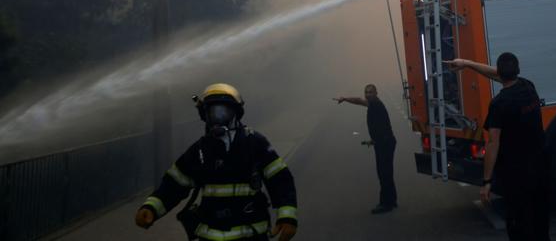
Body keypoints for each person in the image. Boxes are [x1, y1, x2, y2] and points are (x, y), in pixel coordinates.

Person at [134, 83, 298, 241]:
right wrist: (152, 208)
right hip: (209, 236)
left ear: (235, 114)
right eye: (212, 113)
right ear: (204, 116)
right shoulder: (199, 150)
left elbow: (280, 180)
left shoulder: (255, 143)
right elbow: (174, 184)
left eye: (223, 112)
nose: (217, 118)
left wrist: (287, 217)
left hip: (250, 234)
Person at [446, 54, 550, 241]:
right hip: (540, 169)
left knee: (520, 226)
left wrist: (486, 182)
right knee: (540, 221)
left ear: (500, 73)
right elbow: (499, 74)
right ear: (517, 70)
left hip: (516, 175)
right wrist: (467, 64)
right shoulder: (528, 86)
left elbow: (493, 143)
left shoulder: (499, 104)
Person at [334, 84, 398, 214]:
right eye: (366, 92)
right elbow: (362, 104)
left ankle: (385, 204)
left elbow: (359, 100)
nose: (367, 95)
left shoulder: (376, 104)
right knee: (387, 172)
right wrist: (373, 140)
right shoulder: (374, 104)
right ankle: (392, 200)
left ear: (376, 93)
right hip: (384, 142)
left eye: (370, 92)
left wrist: (345, 98)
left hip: (385, 144)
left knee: (383, 173)